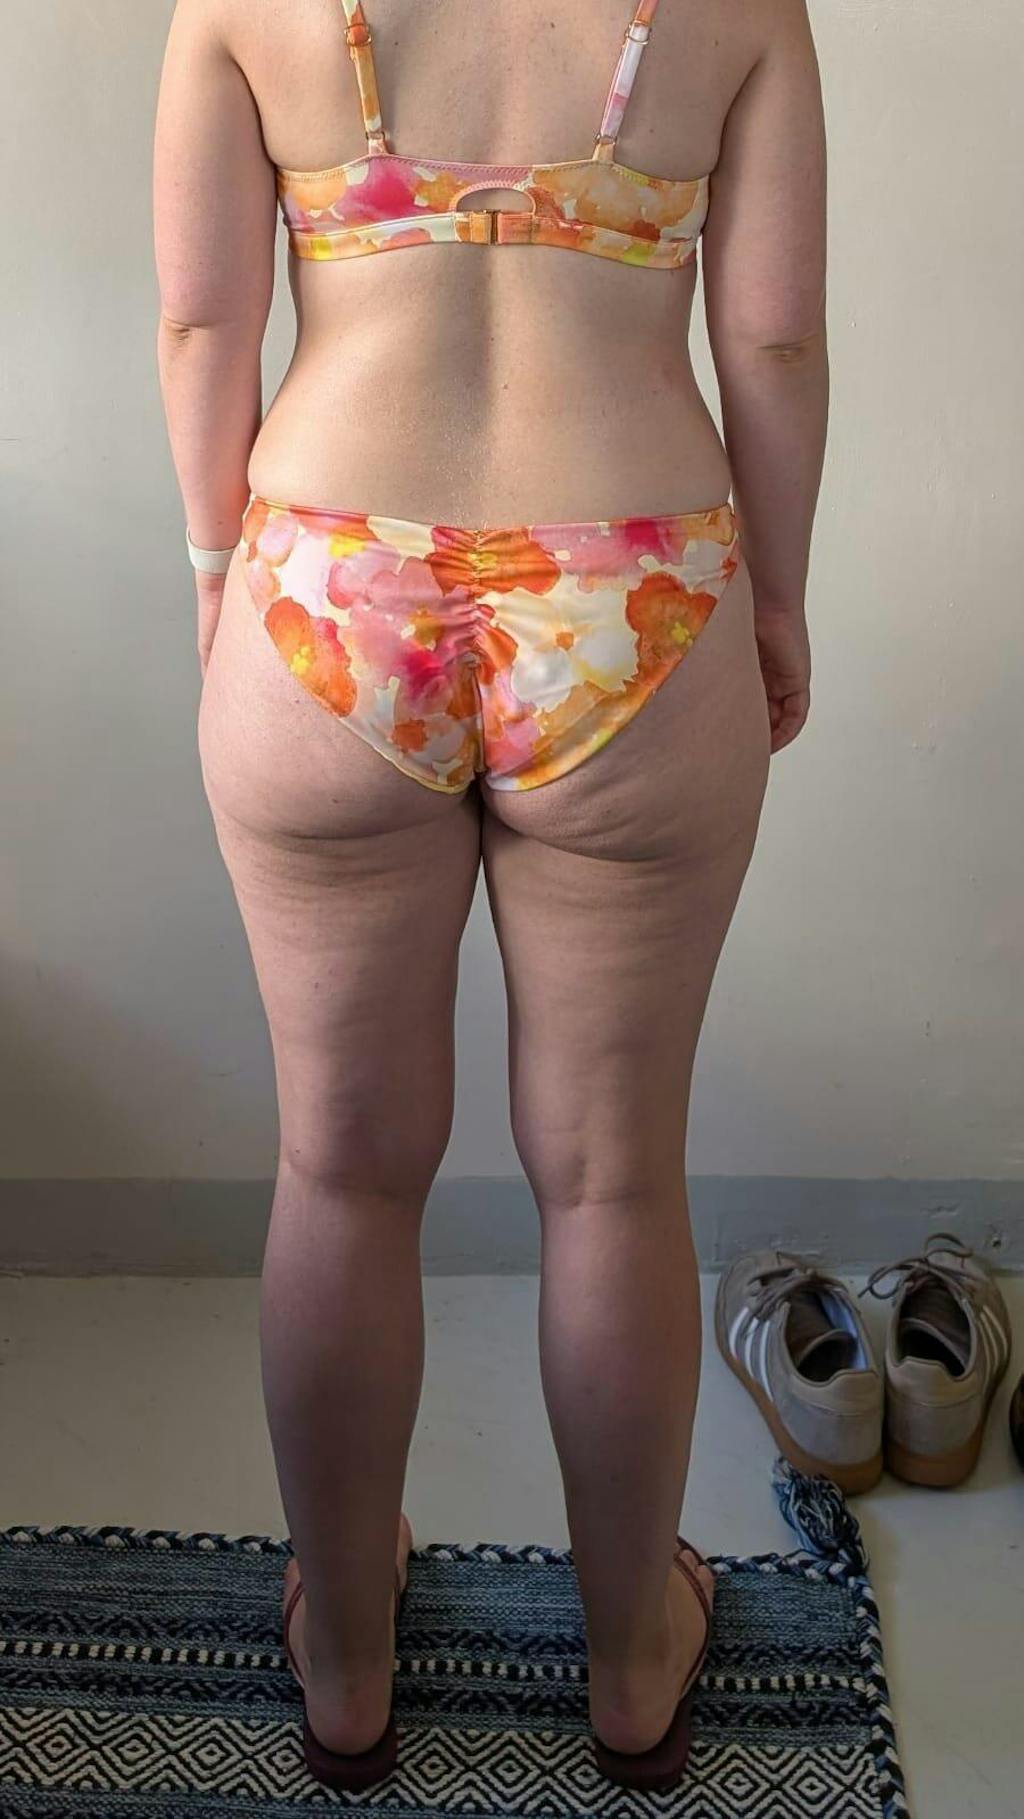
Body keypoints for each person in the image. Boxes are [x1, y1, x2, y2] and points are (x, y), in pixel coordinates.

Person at [153, 0, 827, 1791]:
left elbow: (206, 318)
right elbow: (771, 334)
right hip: (637, 586)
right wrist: (776, 600)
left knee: (339, 1164)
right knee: (612, 1173)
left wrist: (217, 569)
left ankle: (347, 1670)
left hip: (329, 583)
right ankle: (632, 1666)